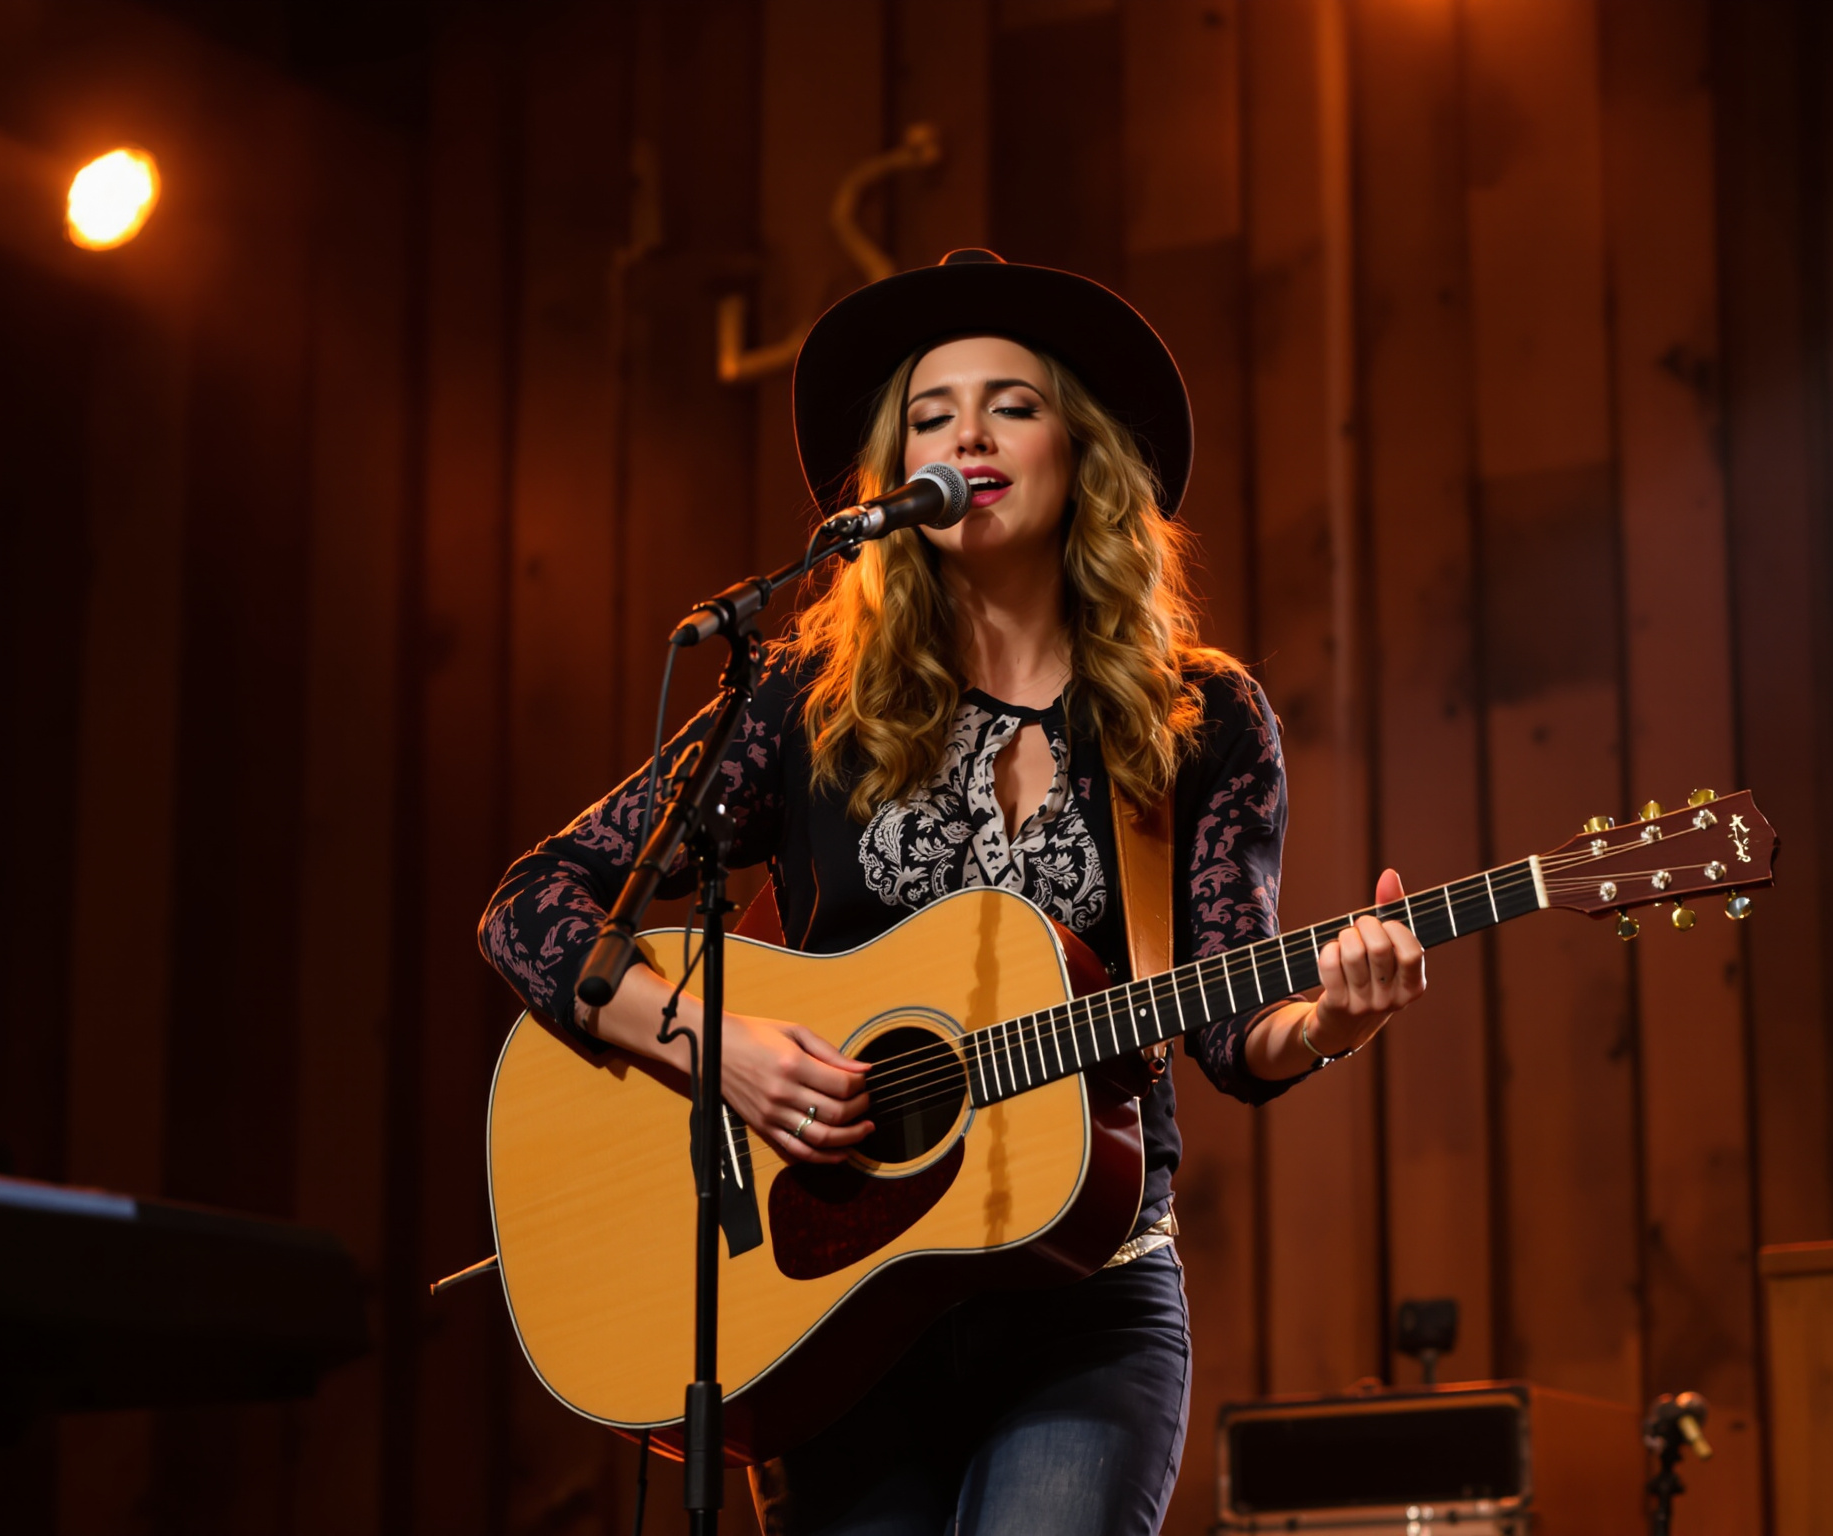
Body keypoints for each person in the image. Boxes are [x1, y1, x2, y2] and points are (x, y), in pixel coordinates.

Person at [479, 248, 1430, 1536]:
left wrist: (1330, 1018)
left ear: (1082, 456)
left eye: (1013, 406)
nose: (969, 434)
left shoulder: (1199, 715)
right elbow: (535, 904)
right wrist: (723, 1048)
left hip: (1084, 1301)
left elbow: (1225, 1024)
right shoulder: (805, 705)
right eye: (932, 416)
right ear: (893, 478)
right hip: (830, 1307)